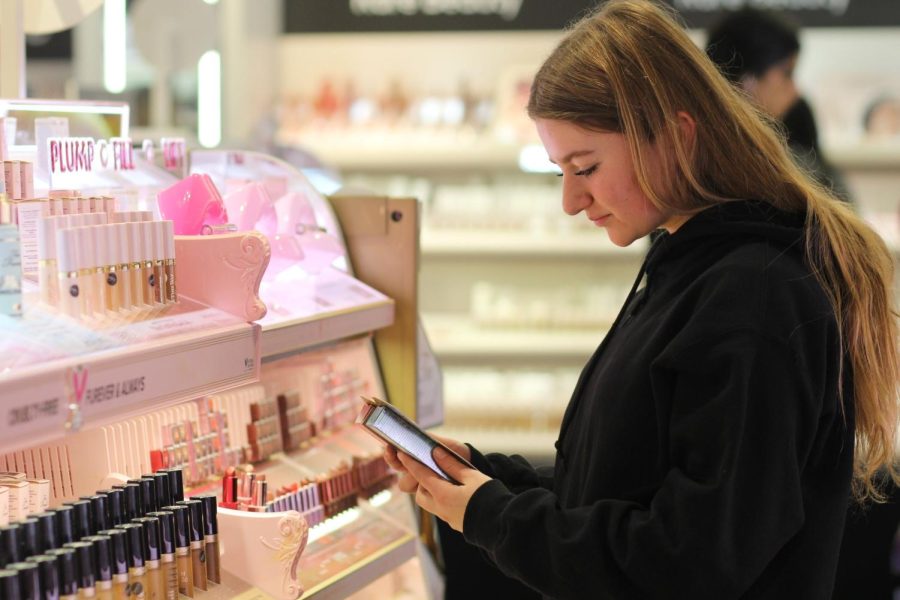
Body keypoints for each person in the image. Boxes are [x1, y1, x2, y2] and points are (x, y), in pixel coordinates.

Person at [385, 1, 900, 598]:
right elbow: (627, 484)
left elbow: (688, 560)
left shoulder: (754, 297)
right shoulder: (693, 265)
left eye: (585, 167)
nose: (571, 202)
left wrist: (495, 516)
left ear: (676, 137)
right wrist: (488, 478)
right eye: (561, 173)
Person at [705, 7, 852, 202]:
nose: (795, 90)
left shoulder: (797, 114)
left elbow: (837, 202)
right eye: (787, 74)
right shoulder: (698, 150)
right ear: (747, 81)